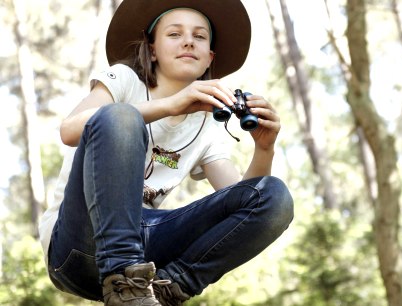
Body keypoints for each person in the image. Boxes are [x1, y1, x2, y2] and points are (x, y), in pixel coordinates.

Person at [39, 0, 294, 305]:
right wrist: (171, 104)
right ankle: (126, 280)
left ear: (209, 56)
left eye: (200, 37)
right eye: (174, 34)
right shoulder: (124, 80)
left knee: (274, 197)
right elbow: (70, 130)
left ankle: (170, 288)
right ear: (152, 50)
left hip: (145, 254)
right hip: (78, 245)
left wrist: (265, 147)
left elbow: (242, 201)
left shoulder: (208, 124)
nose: (188, 40)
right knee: (119, 116)